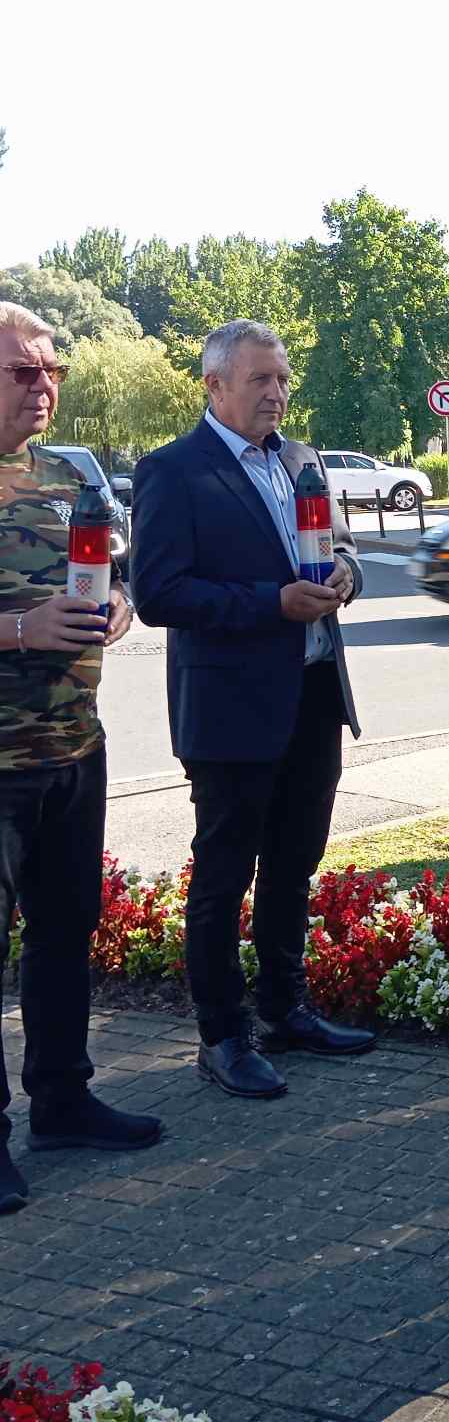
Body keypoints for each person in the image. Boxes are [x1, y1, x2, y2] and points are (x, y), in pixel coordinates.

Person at [132, 319, 373, 1101]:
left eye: (282, 379)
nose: (276, 393)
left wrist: (343, 574)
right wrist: (270, 603)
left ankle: (284, 1008)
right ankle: (222, 1036)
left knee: (295, 865)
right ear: (215, 386)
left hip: (311, 697)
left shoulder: (301, 461)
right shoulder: (174, 471)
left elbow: (343, 551)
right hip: (232, 711)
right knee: (224, 877)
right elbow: (161, 593)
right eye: (260, 380)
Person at [0, 302, 162, 1216]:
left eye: (52, 370)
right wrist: (21, 629)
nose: (45, 386)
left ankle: (61, 1097)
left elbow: (118, 574)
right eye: (23, 372)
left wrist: (121, 607)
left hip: (72, 745)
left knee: (66, 929)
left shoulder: (71, 475)